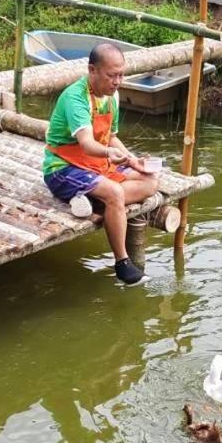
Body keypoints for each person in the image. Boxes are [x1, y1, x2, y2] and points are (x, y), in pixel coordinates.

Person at [43, 41, 160, 284]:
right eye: (111, 75)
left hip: (95, 165)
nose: (117, 81)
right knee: (115, 193)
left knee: (150, 181)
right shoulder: (76, 98)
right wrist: (109, 154)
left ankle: (91, 198)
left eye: (121, 75)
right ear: (92, 70)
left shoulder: (111, 96)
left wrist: (132, 160)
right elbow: (86, 144)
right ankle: (122, 263)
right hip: (63, 167)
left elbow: (113, 137)